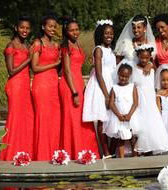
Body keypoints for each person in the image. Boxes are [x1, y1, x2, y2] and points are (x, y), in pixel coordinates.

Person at [59, 17, 100, 160]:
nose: (75, 32)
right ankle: (72, 151)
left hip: (78, 84)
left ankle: (85, 150)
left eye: (77, 29)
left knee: (82, 119)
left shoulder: (77, 46)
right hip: (70, 86)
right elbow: (68, 71)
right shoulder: (66, 48)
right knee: (72, 119)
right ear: (66, 31)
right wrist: (74, 92)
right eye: (71, 30)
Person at [0, 16, 34, 161]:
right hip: (15, 86)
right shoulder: (11, 46)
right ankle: (9, 154)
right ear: (16, 28)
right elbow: (11, 71)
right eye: (22, 27)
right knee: (14, 119)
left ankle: (24, 152)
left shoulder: (26, 46)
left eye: (27, 28)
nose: (24, 30)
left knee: (27, 119)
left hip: (25, 86)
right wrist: (29, 59)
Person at [82, 19, 116, 158]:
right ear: (101, 34)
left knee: (112, 117)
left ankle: (111, 148)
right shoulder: (98, 50)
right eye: (106, 33)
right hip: (101, 85)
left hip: (112, 83)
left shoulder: (111, 50)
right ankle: (106, 152)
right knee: (102, 117)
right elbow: (99, 73)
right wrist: (106, 94)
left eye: (111, 33)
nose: (109, 36)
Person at [31, 14, 61, 160]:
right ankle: (42, 155)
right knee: (43, 119)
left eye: (54, 26)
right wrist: (54, 64)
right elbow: (35, 68)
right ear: (43, 27)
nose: (52, 29)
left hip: (54, 85)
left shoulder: (56, 45)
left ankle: (54, 153)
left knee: (55, 120)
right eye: (50, 26)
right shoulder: (38, 43)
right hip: (41, 85)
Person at [132, 45, 168, 155]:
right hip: (139, 100)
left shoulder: (152, 69)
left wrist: (149, 64)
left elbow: (154, 85)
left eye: (147, 58)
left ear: (150, 58)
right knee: (139, 126)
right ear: (138, 56)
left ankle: (150, 149)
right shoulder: (135, 69)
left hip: (150, 100)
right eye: (142, 58)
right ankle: (137, 151)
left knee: (151, 124)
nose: (144, 60)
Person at [104, 64, 139, 158]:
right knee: (121, 138)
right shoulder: (115, 87)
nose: (123, 78)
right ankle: (122, 158)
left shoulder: (132, 86)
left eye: (126, 77)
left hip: (131, 116)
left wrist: (129, 115)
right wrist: (119, 115)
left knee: (133, 138)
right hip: (119, 117)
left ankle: (135, 156)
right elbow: (111, 103)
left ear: (130, 76)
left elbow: (135, 102)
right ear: (118, 74)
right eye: (121, 76)